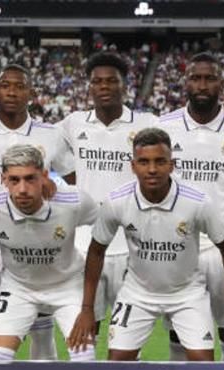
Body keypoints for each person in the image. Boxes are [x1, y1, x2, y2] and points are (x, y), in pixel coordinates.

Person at [69, 128, 224, 362]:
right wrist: (86, 309)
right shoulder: (117, 201)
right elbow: (96, 251)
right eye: (144, 162)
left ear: (172, 165)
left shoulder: (198, 202)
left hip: (187, 293)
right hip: (137, 293)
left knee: (203, 365)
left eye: (160, 161)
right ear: (133, 166)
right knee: (117, 363)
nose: (152, 169)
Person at [0, 64, 74, 360]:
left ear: (31, 93)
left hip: (40, 240)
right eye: (5, 85)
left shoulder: (51, 134)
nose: (12, 92)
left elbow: (75, 178)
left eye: (19, 86)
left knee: (42, 325)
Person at [158, 52, 224, 360]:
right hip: (180, 245)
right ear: (185, 82)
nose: (202, 85)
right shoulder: (165, 126)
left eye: (210, 78)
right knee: (181, 333)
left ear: (222, 83)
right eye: (195, 78)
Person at [0, 144, 96, 362]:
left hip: (68, 286)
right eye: (14, 180)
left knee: (85, 359)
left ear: (44, 176)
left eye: (30, 179)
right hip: (18, 288)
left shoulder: (74, 201)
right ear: (3, 179)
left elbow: (104, 228)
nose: (22, 189)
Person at [58, 51, 158, 332]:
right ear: (89, 86)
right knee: (86, 330)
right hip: (85, 244)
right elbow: (38, 137)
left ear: (125, 85)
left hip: (132, 245)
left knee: (129, 335)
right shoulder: (72, 123)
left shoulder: (147, 123)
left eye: (111, 81)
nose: (104, 86)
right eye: (97, 81)